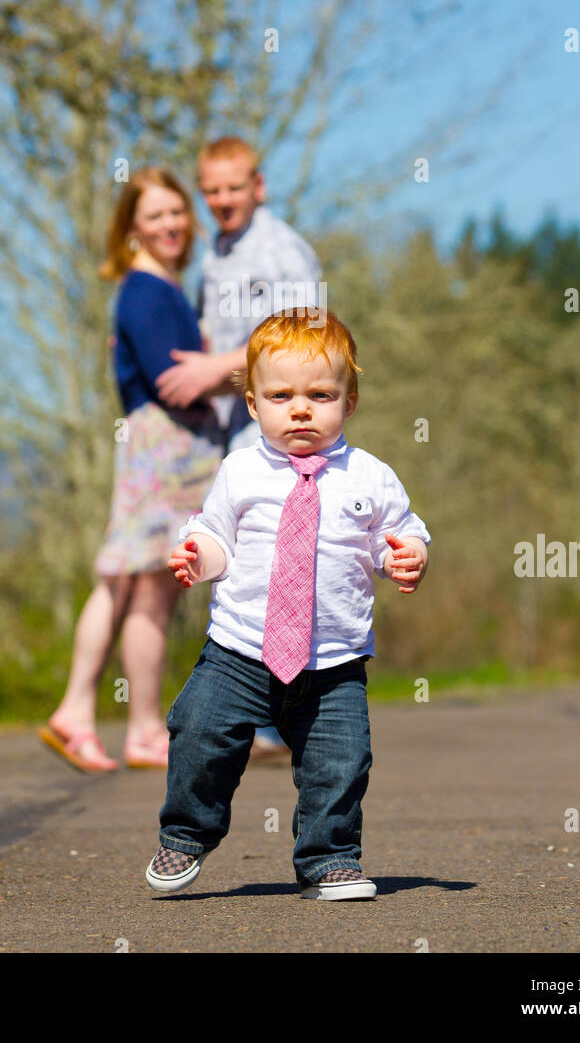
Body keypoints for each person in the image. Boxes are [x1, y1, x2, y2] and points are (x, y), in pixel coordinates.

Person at [145, 310, 431, 900]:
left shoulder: (370, 477)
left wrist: (407, 555)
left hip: (334, 659)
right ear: (253, 405)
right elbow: (218, 535)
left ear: (349, 403)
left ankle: (329, 859)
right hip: (240, 648)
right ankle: (185, 835)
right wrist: (199, 555)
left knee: (341, 762)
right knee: (198, 732)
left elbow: (396, 534)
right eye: (281, 395)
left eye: (320, 395)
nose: (300, 408)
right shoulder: (241, 470)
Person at [39, 168, 222, 772]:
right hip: (163, 447)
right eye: (154, 215)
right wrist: (224, 375)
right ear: (131, 227)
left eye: (177, 212)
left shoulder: (162, 286)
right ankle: (83, 714)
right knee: (129, 580)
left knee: (146, 586)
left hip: (168, 449)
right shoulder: (145, 289)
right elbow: (172, 382)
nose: (170, 224)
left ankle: (137, 726)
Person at [155, 135, 323, 757]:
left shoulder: (282, 251)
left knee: (279, 556)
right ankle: (246, 713)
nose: (224, 199)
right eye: (213, 190)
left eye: (235, 187)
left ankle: (284, 715)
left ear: (260, 186)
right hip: (231, 426)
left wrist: (213, 370)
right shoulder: (219, 255)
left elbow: (299, 343)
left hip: (278, 425)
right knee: (237, 559)